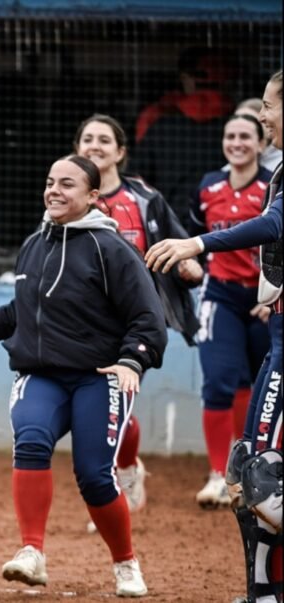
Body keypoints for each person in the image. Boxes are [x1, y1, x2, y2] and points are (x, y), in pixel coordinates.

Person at [0, 155, 168, 598]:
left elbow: (148, 318)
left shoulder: (112, 249)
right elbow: (26, 307)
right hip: (42, 373)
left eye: (67, 184)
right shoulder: (35, 243)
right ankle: (32, 552)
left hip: (98, 376)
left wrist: (131, 361)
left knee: (94, 475)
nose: (55, 191)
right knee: (30, 440)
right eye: (50, 183)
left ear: (92, 196)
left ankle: (125, 563)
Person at [145, 69, 282, 603]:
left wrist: (197, 244)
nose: (261, 116)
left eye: (267, 107)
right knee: (252, 470)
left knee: (264, 475)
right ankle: (262, 592)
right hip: (266, 324)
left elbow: (274, 227)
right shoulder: (221, 182)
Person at [72, 114, 202, 530]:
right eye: (88, 138)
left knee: (113, 403)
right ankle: (126, 469)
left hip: (135, 321)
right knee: (97, 410)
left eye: (104, 139)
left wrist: (188, 266)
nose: (95, 145)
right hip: (83, 320)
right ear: (77, 148)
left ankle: (115, 485)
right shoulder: (68, 197)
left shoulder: (145, 198)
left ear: (120, 151)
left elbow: (178, 243)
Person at [189, 113, 273, 509]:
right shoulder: (208, 186)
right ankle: (219, 476)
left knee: (254, 385)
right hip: (219, 295)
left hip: (262, 301)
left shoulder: (271, 188)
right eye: (230, 135)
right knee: (219, 381)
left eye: (246, 136)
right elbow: (194, 236)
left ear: (261, 144)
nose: (237, 142)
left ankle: (250, 473)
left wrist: (272, 292)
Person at [134, 47, 238, 224]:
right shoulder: (238, 128)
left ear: (187, 79)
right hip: (222, 222)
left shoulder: (160, 122)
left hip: (170, 221)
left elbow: (138, 180)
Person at [234, 98, 282, 171]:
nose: (241, 128)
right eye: (236, 122)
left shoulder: (279, 164)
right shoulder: (228, 170)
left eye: (250, 121)